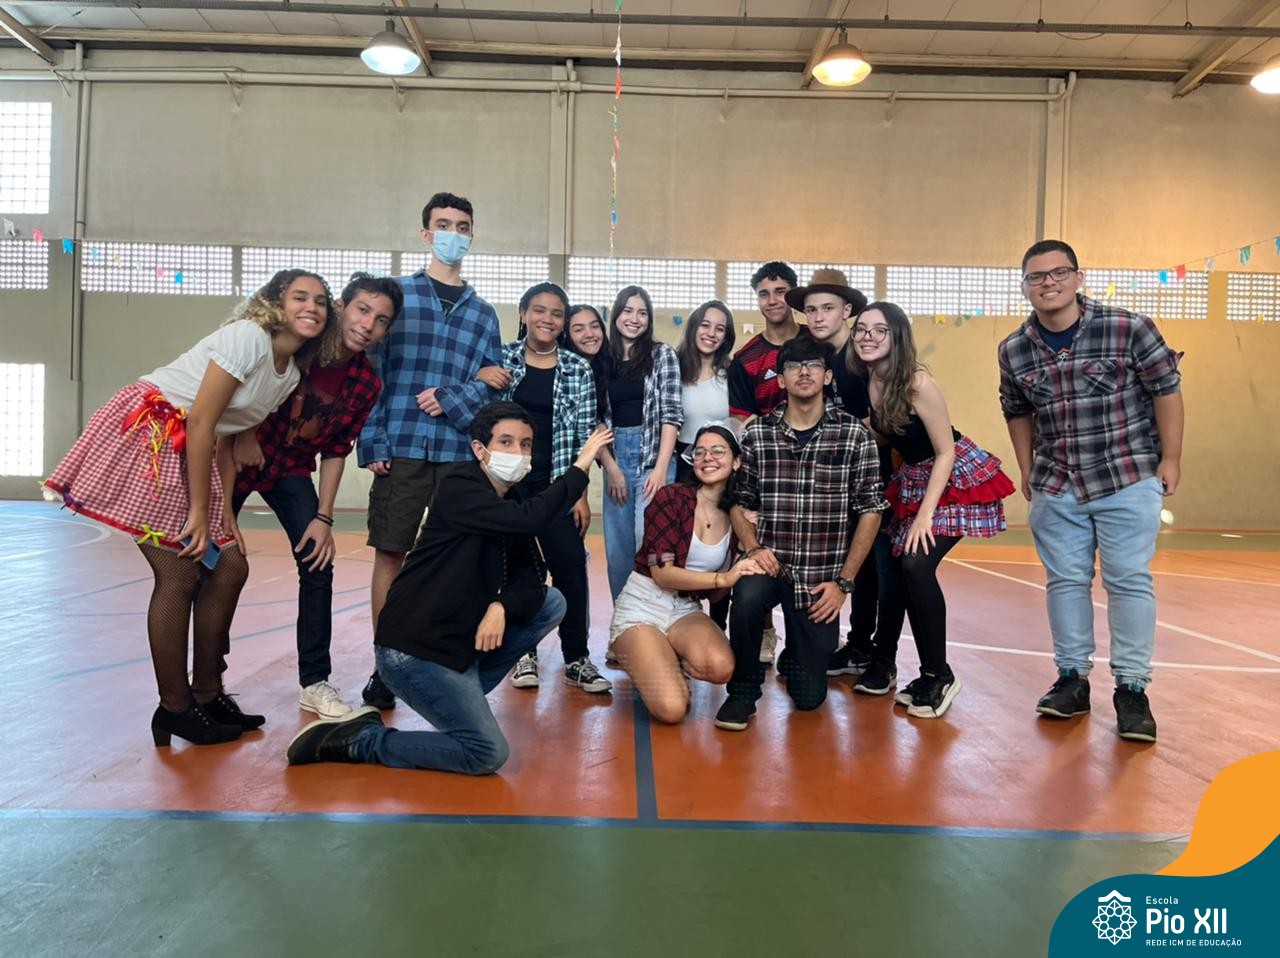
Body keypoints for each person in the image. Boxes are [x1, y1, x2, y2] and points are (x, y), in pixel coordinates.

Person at [44, 269, 331, 746]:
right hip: (153, 435)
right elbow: (200, 420)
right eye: (300, 297)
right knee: (179, 573)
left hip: (193, 450)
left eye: (321, 301)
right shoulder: (247, 338)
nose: (312, 307)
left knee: (230, 567)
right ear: (275, 304)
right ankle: (174, 708)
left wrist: (223, 514)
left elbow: (228, 436)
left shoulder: (290, 376)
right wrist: (199, 513)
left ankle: (207, 693)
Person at [285, 403, 614, 774]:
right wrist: (580, 466)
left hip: (455, 647)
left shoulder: (512, 498)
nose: (518, 452)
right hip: (411, 651)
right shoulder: (460, 486)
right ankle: (362, 739)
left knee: (552, 602)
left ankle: (461, 695)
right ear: (479, 449)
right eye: (506, 442)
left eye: (525, 444)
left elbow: (531, 577)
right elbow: (530, 520)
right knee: (486, 754)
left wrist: (502, 606)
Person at [1000, 240, 1183, 742]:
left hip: (1126, 476)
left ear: (1079, 278)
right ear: (1025, 287)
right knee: (1065, 581)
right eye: (1036, 277)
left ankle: (1132, 689)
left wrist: (1170, 458)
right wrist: (1027, 468)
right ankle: (1071, 679)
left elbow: (1166, 390)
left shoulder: (1129, 328)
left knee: (1128, 580)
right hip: (1057, 483)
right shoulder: (1014, 349)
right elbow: (1016, 409)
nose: (1049, 283)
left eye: (1059, 273)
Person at [229, 273, 403, 719]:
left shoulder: (365, 382)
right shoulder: (302, 345)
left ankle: (314, 681)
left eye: (381, 320)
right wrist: (245, 436)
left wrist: (323, 518)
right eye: (362, 310)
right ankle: (207, 681)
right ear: (341, 306)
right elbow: (245, 387)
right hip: (240, 455)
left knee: (317, 563)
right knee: (216, 565)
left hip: (291, 469)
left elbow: (336, 449)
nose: (368, 324)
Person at [357, 191, 501, 711]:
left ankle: (441, 659)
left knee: (454, 559)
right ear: (426, 234)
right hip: (400, 445)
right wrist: (372, 439)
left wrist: (451, 398)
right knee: (391, 552)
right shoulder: (396, 298)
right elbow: (370, 375)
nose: (452, 234)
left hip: (458, 449)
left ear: (471, 235)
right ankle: (385, 667)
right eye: (444, 225)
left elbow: (493, 385)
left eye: (462, 226)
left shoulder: (483, 315)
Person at [851, 301, 1015, 719]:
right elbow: (889, 434)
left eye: (879, 330)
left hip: (952, 477)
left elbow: (944, 452)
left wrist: (924, 516)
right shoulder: (873, 379)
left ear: (896, 337)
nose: (867, 337)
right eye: (861, 329)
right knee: (906, 568)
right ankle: (929, 674)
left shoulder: (918, 383)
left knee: (916, 563)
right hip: (914, 478)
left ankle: (939, 674)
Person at [718, 334, 886, 731]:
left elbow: (870, 511)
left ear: (828, 376)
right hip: (769, 562)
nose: (804, 372)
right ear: (781, 379)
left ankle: (797, 655)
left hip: (819, 576)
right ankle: (742, 692)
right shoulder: (758, 435)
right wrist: (752, 547)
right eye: (794, 366)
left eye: (813, 366)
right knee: (746, 599)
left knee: (809, 699)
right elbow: (739, 502)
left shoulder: (854, 436)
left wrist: (843, 583)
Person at [476, 283, 610, 694]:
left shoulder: (577, 368)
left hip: (556, 484)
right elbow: (481, 413)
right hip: (507, 485)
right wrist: (480, 374)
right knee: (518, 570)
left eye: (556, 313)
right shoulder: (501, 358)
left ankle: (577, 658)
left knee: (570, 567)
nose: (547, 319)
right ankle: (523, 654)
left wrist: (580, 493)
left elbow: (586, 434)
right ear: (523, 314)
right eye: (539, 310)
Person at [610, 424, 762, 723]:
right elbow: (663, 575)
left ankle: (664, 656)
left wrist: (744, 552)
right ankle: (639, 652)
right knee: (672, 710)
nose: (708, 458)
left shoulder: (737, 518)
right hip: (643, 605)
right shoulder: (672, 498)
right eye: (700, 452)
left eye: (718, 451)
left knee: (721, 667)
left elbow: (716, 596)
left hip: (684, 608)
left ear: (736, 462)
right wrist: (724, 577)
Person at [780, 268, 889, 681]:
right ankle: (842, 643)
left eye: (827, 308)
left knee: (881, 567)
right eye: (811, 310)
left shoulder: (864, 358)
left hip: (883, 471)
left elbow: (886, 420)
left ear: (847, 311)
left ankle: (876, 653)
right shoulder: (817, 356)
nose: (818, 317)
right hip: (839, 477)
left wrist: (853, 436)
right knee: (847, 560)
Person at [727, 261, 802, 664]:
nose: (772, 300)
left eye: (780, 291)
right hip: (768, 471)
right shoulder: (747, 358)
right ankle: (767, 631)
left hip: (815, 470)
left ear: (793, 294)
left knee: (810, 550)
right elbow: (741, 417)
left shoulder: (816, 344)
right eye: (764, 293)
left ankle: (806, 636)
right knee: (760, 548)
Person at [600, 285, 683, 601]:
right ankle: (623, 621)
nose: (634, 319)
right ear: (616, 315)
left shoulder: (662, 355)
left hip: (654, 455)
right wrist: (612, 468)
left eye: (642, 312)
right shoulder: (603, 359)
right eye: (628, 311)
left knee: (647, 541)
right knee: (618, 549)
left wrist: (660, 469)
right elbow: (595, 416)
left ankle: (650, 618)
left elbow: (672, 414)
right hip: (615, 457)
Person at [674, 300, 735, 483]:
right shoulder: (674, 370)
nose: (711, 333)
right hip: (682, 461)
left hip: (720, 461)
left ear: (725, 337)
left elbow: (744, 419)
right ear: (693, 328)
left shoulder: (732, 373)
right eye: (705, 325)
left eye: (720, 329)